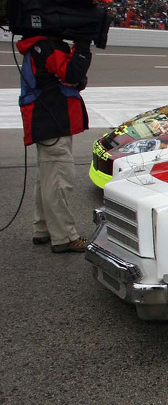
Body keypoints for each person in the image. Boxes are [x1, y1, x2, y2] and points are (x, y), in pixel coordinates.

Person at [18, 35, 92, 253]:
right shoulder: (47, 46)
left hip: (46, 121)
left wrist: (77, 79)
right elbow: (71, 74)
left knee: (46, 179)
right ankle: (64, 237)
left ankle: (43, 229)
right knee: (59, 179)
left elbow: (72, 79)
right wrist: (83, 45)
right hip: (53, 121)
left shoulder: (39, 45)